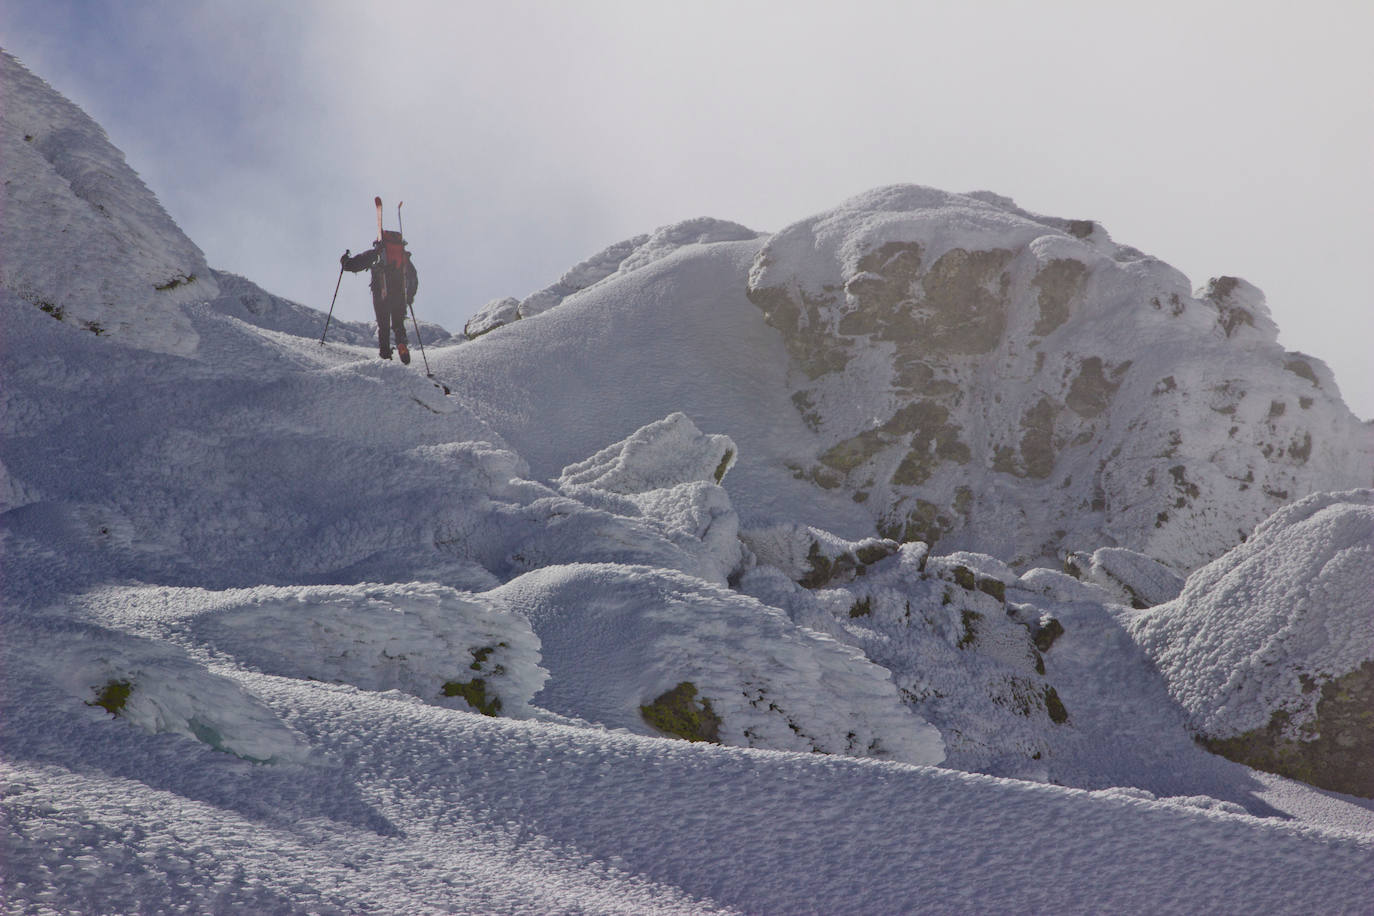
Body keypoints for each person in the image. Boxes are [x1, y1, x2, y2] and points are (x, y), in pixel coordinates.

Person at [341, 232, 419, 363]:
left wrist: (344, 260)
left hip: (381, 294)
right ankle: (401, 342)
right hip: (399, 296)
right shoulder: (403, 256)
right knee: (398, 324)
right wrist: (410, 296)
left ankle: (385, 355)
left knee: (383, 326)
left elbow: (353, 265)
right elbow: (413, 278)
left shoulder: (375, 253)